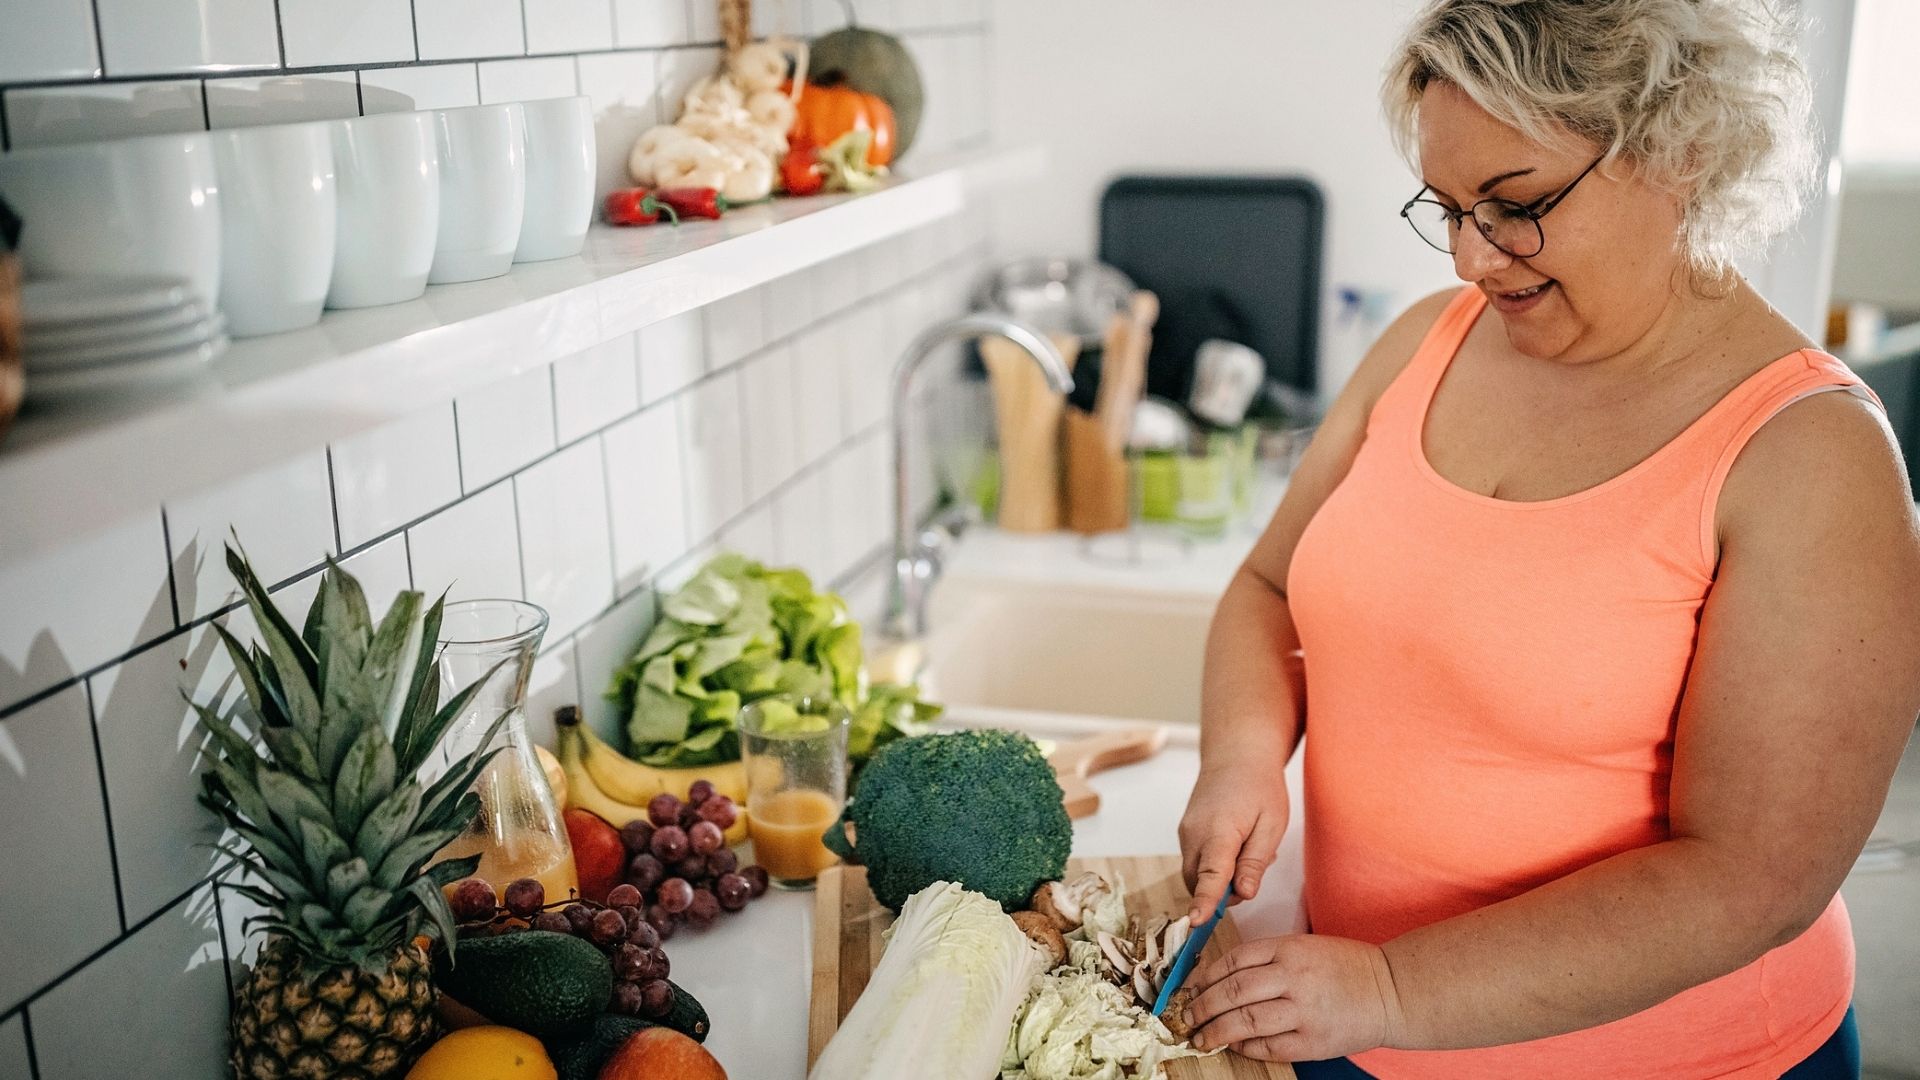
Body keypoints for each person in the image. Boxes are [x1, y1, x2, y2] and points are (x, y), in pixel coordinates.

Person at [1175, 1, 1920, 1077]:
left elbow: (1752, 880)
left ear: (1684, 151)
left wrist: (1391, 988)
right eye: (1447, 207)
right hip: (1343, 1021)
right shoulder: (1424, 344)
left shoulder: (1811, 454)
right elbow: (1265, 587)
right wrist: (1242, 757)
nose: (1474, 257)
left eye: (1515, 205)